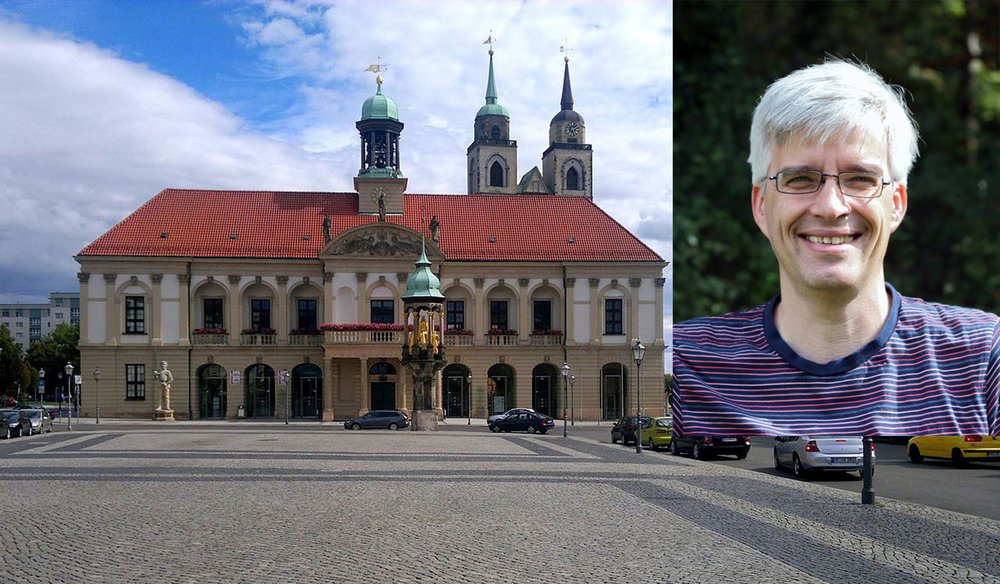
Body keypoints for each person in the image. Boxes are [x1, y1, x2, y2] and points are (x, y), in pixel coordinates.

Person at [672, 59, 999, 437]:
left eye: (860, 179)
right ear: (761, 205)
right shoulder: (689, 364)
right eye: (800, 179)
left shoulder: (981, 358)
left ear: (896, 204)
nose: (831, 206)